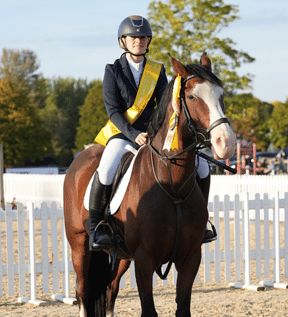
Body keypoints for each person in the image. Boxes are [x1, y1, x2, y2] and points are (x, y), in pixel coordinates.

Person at [88, 15, 216, 250]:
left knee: (203, 166)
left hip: (154, 134)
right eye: (133, 37)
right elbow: (113, 111)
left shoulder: (157, 70)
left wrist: (160, 132)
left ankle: (201, 220)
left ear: (149, 41)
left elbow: (165, 105)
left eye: (143, 37)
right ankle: (97, 227)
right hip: (122, 133)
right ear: (123, 41)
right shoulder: (112, 70)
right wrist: (132, 133)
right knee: (106, 169)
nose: (139, 41)